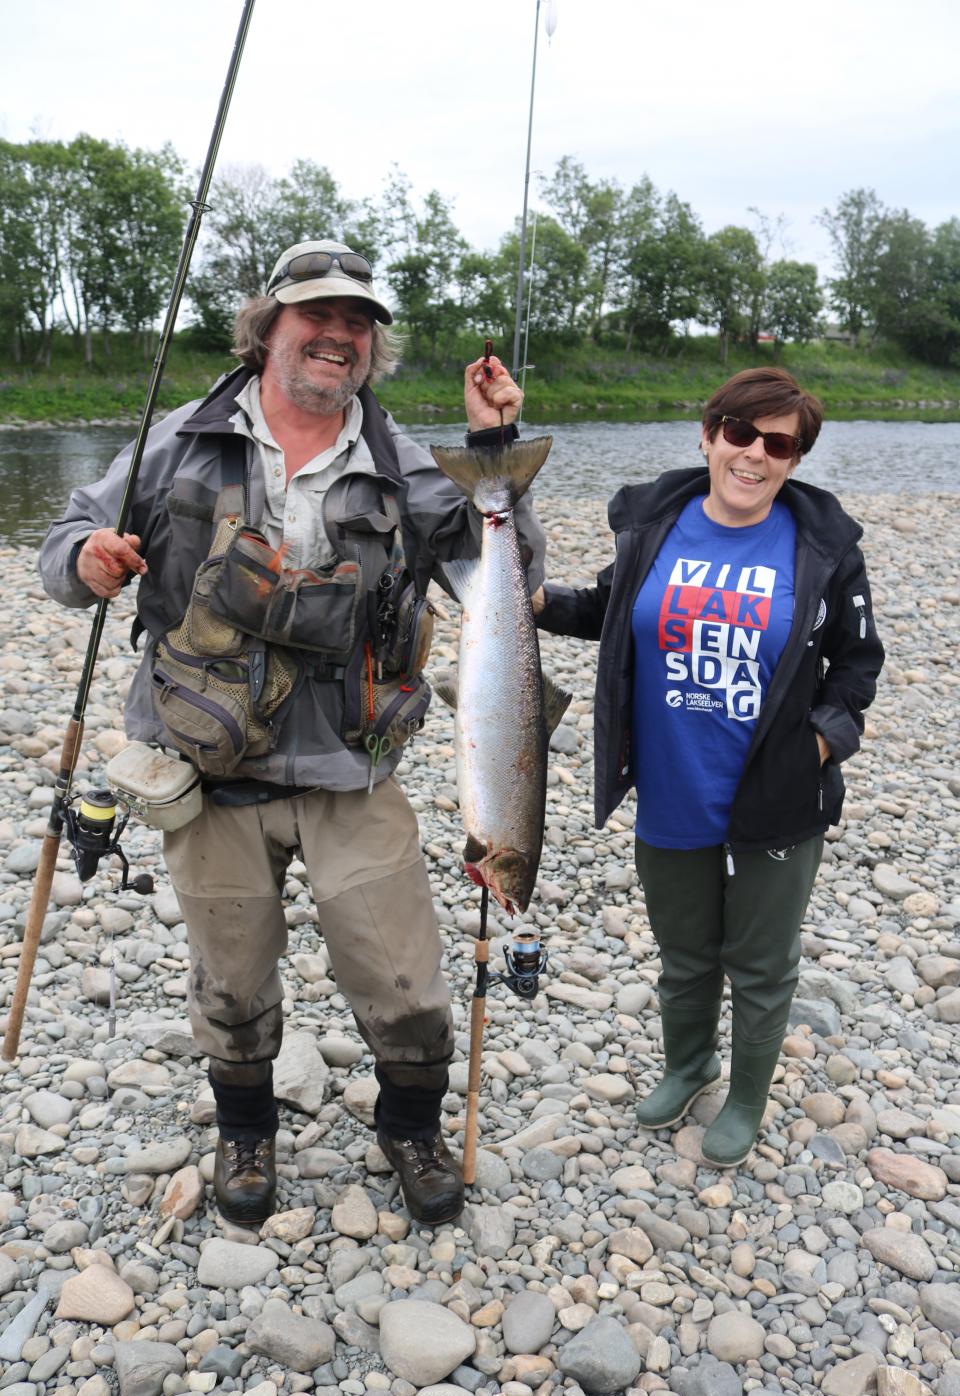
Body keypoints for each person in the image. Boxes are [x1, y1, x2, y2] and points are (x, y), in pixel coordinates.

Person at [39, 239, 545, 1226]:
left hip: (350, 769)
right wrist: (88, 564)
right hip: (206, 765)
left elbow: (505, 578)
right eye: (318, 314)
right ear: (267, 325)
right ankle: (246, 1130)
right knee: (229, 981)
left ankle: (409, 1125)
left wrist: (495, 452)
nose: (340, 335)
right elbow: (63, 548)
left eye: (360, 322)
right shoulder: (178, 439)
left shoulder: (401, 461)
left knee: (404, 982)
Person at [534, 368, 883, 1167]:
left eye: (778, 443)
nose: (754, 454)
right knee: (685, 954)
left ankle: (748, 1097)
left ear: (795, 459)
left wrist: (819, 746)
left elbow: (858, 664)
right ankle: (689, 1065)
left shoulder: (824, 549)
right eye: (739, 432)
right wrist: (539, 603)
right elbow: (608, 608)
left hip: (776, 796)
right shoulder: (658, 526)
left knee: (760, 965)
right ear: (708, 433)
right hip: (672, 782)